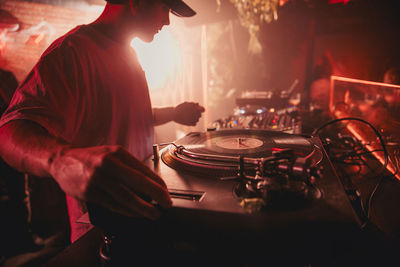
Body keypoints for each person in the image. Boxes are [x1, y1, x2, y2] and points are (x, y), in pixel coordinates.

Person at [0, 0, 204, 264]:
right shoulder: (72, 52)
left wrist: (174, 113)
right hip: (101, 234)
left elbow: (129, 114)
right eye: (164, 7)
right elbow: (9, 130)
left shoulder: (129, 53)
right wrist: (60, 159)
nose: (167, 21)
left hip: (142, 219)